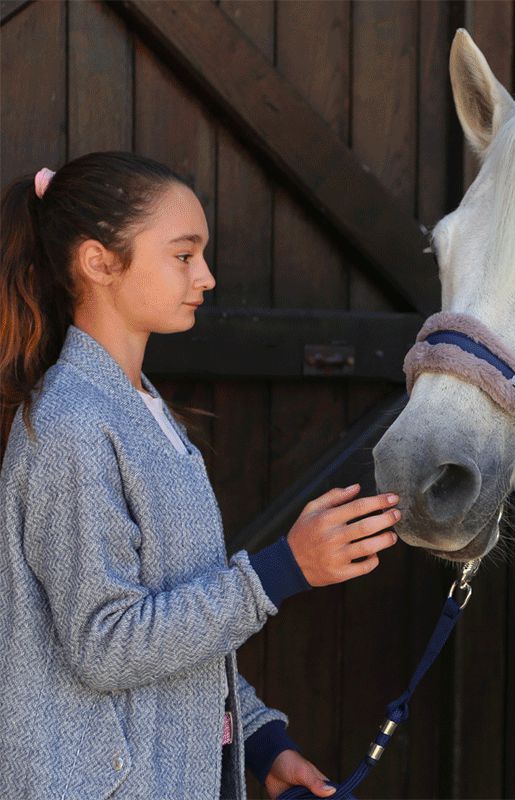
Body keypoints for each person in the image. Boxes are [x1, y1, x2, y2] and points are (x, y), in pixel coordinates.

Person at [0, 152, 401, 800]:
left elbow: (179, 619)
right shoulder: (71, 426)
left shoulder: (145, 413)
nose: (207, 276)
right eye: (184, 255)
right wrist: (281, 570)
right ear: (99, 262)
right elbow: (106, 643)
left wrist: (263, 743)